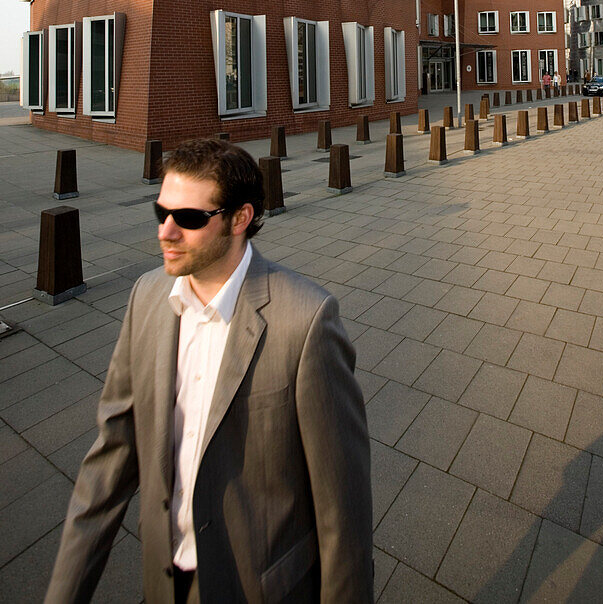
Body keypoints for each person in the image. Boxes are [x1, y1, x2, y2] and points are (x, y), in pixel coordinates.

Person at [45, 139, 373, 604]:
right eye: (162, 213)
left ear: (240, 219)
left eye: (190, 219)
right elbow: (110, 461)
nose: (166, 232)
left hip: (259, 586)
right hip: (163, 578)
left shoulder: (306, 322)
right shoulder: (147, 298)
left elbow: (344, 512)